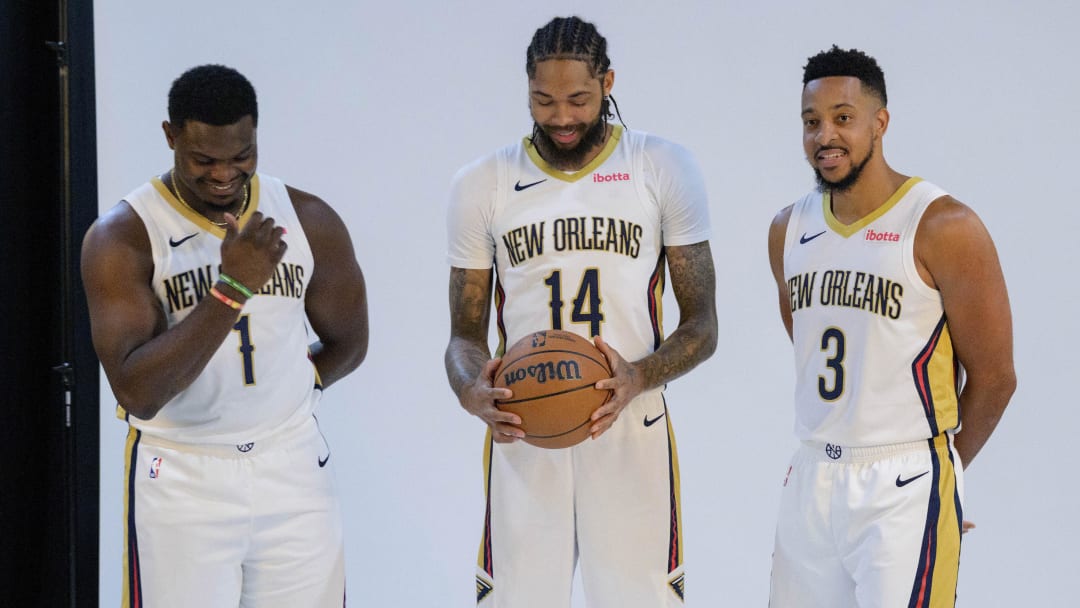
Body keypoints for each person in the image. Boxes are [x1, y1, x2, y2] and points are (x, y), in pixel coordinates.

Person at [444, 16, 717, 608]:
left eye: (578, 99)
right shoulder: (482, 184)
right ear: (526, 91)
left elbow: (703, 325)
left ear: (608, 82)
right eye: (543, 100)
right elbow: (463, 337)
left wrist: (639, 376)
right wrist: (470, 388)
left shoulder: (661, 167)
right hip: (522, 428)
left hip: (630, 424)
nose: (562, 117)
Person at [81, 64, 368, 607]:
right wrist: (232, 288)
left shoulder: (307, 218)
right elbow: (136, 393)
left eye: (241, 158)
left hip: (293, 471)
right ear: (170, 137)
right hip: (183, 474)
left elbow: (350, 342)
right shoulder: (123, 236)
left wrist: (286, 390)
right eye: (203, 161)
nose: (223, 175)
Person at [766, 46, 1016, 607]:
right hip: (810, 474)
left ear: (880, 122)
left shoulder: (942, 224)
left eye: (843, 118)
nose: (825, 135)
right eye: (812, 121)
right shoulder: (788, 228)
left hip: (905, 476)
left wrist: (942, 476)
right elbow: (811, 343)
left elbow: (997, 376)